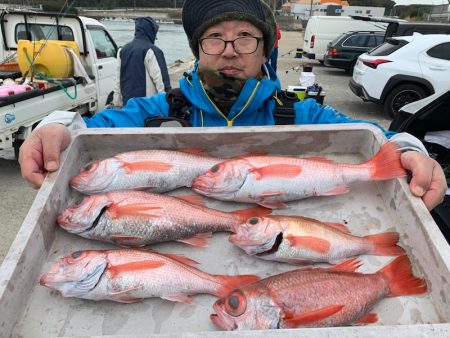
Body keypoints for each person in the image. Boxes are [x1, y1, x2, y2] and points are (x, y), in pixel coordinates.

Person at [19, 0, 446, 211]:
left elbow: (374, 138)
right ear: (197, 48)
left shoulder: (297, 111)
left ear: (264, 50)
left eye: (245, 37)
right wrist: (54, 128)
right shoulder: (156, 109)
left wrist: (409, 151)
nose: (229, 51)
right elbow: (89, 128)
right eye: (214, 38)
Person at [112, 17, 171, 108]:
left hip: (127, 108)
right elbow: (162, 83)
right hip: (148, 109)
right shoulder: (152, 51)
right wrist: (167, 105)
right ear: (151, 31)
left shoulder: (122, 50)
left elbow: (117, 81)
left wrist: (117, 103)